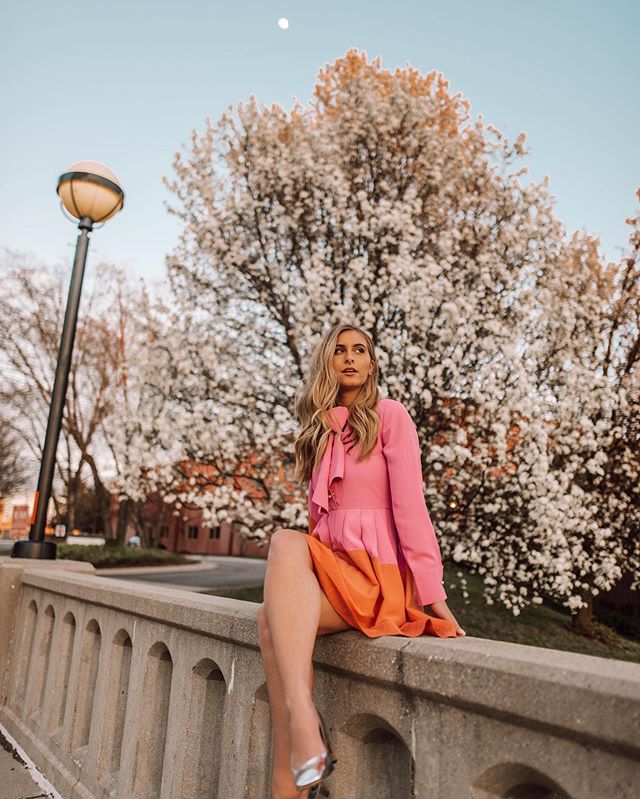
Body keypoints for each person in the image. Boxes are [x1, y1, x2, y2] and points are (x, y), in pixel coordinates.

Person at [257, 322, 466, 798]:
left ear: (371, 363)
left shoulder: (390, 416)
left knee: (283, 547)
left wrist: (434, 598)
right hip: (336, 573)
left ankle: (302, 715)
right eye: (340, 350)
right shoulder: (319, 433)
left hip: (376, 579)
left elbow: (411, 508)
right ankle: (296, 765)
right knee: (272, 618)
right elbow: (319, 528)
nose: (350, 357)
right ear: (326, 362)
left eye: (361, 350)